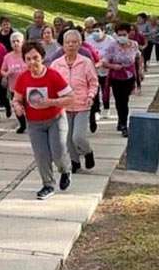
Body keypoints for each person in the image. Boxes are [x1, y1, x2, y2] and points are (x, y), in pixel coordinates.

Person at [13, 41, 74, 200]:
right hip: (34, 124)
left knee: (58, 152)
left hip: (56, 119)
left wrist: (51, 102)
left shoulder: (53, 75)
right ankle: (48, 185)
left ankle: (65, 169)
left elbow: (70, 98)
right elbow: (17, 99)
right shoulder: (23, 78)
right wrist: (18, 107)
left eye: (35, 58)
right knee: (41, 156)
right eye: (28, 59)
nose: (32, 62)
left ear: (42, 58)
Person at [50, 30, 99, 173]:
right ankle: (75, 162)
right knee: (67, 138)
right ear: (63, 45)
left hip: (82, 105)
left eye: (74, 42)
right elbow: (51, 84)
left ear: (80, 44)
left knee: (78, 137)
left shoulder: (86, 62)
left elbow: (94, 83)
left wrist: (90, 96)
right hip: (64, 106)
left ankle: (88, 152)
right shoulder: (56, 64)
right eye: (67, 42)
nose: (71, 45)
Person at [101, 23, 142, 137]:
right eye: (119, 35)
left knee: (125, 100)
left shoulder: (134, 45)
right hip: (116, 78)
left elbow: (138, 57)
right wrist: (113, 66)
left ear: (128, 34)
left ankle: (122, 122)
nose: (122, 37)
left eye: (124, 34)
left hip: (129, 77)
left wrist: (140, 71)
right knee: (120, 101)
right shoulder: (112, 46)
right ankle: (123, 123)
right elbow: (104, 62)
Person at [87, 22, 118, 126]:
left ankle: (106, 107)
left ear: (103, 31)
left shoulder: (110, 41)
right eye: (93, 31)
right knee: (95, 90)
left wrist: (106, 62)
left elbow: (113, 54)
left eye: (98, 31)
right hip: (93, 69)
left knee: (106, 89)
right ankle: (97, 110)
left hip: (106, 69)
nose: (95, 33)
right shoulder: (89, 40)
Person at [0, 31, 28, 134]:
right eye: (13, 42)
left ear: (22, 42)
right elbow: (2, 70)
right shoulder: (7, 57)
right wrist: (7, 74)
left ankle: (32, 124)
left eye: (18, 41)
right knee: (17, 108)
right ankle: (22, 125)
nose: (15, 43)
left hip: (28, 87)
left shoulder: (27, 55)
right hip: (14, 88)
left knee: (29, 108)